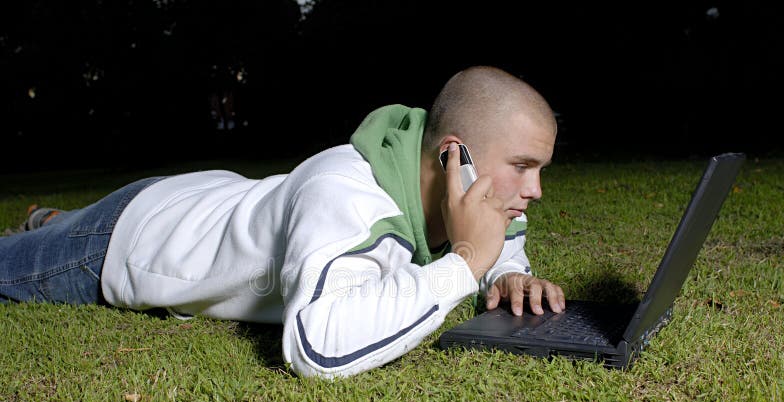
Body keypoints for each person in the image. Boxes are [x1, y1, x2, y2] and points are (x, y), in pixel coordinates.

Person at [0, 66, 565, 378]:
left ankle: (51, 217)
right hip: (137, 236)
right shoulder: (344, 196)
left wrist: (506, 275)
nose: (534, 191)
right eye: (522, 167)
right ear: (453, 157)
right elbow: (315, 345)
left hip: (214, 195)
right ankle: (57, 227)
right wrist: (464, 266)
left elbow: (504, 245)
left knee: (62, 226)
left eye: (539, 169)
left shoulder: (477, 200)